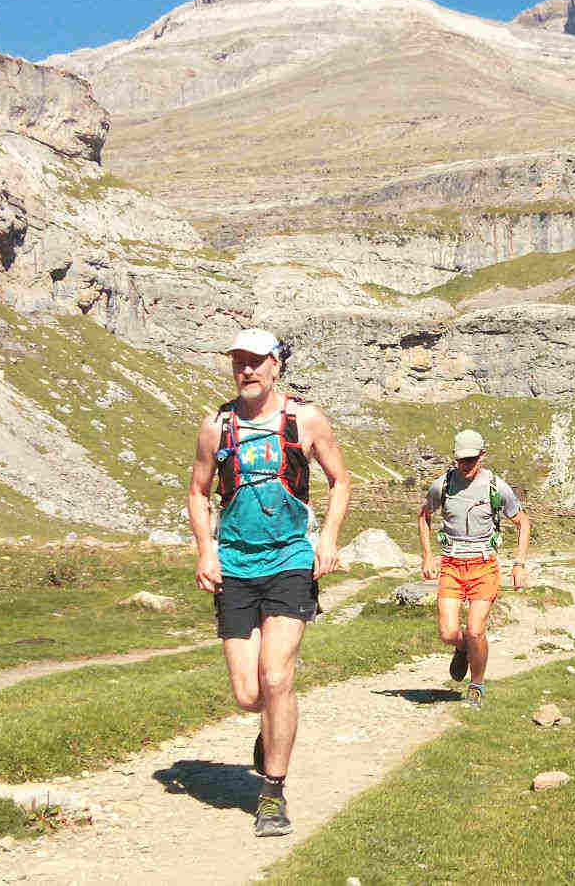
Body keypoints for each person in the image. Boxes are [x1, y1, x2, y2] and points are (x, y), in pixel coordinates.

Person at [187, 328, 349, 838]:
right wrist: (206, 548)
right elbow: (197, 491)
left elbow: (340, 479)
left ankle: (273, 792)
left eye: (256, 361)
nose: (247, 370)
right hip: (234, 564)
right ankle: (268, 731)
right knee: (247, 693)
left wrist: (327, 538)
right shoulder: (216, 426)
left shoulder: (305, 418)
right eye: (239, 361)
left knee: (278, 677)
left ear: (276, 364)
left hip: (290, 560)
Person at [417, 428, 530, 708]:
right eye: (461, 460)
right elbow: (424, 515)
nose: (466, 465)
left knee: (476, 629)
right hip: (452, 565)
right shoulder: (442, 485)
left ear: (482, 456)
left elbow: (523, 523)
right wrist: (428, 555)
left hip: (484, 565)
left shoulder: (496, 487)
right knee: (448, 633)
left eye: (471, 459)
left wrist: (518, 563)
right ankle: (463, 648)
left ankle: (476, 684)